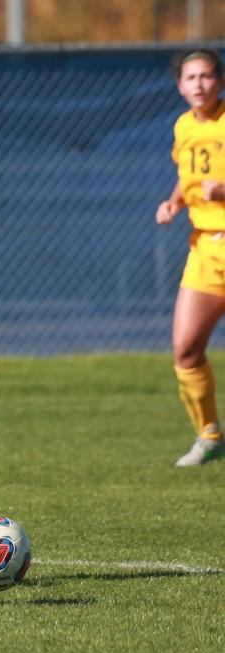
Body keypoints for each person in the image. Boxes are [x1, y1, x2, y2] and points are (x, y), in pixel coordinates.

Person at [156, 48, 225, 467]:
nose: (199, 84)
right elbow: (189, 178)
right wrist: (173, 202)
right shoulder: (184, 126)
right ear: (180, 85)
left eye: (207, 76)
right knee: (185, 350)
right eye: (190, 77)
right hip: (205, 249)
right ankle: (210, 434)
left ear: (220, 81)